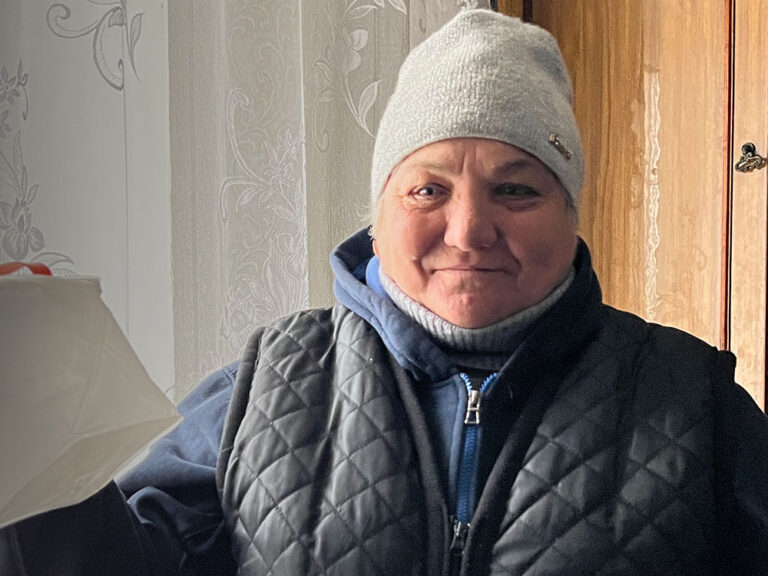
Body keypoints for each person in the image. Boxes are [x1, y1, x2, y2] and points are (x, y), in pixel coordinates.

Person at [2, 9, 767, 576]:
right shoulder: (263, 384)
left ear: (572, 212)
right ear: (378, 215)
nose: (468, 229)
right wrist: (31, 393)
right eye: (428, 189)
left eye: (516, 189)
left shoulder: (693, 400)